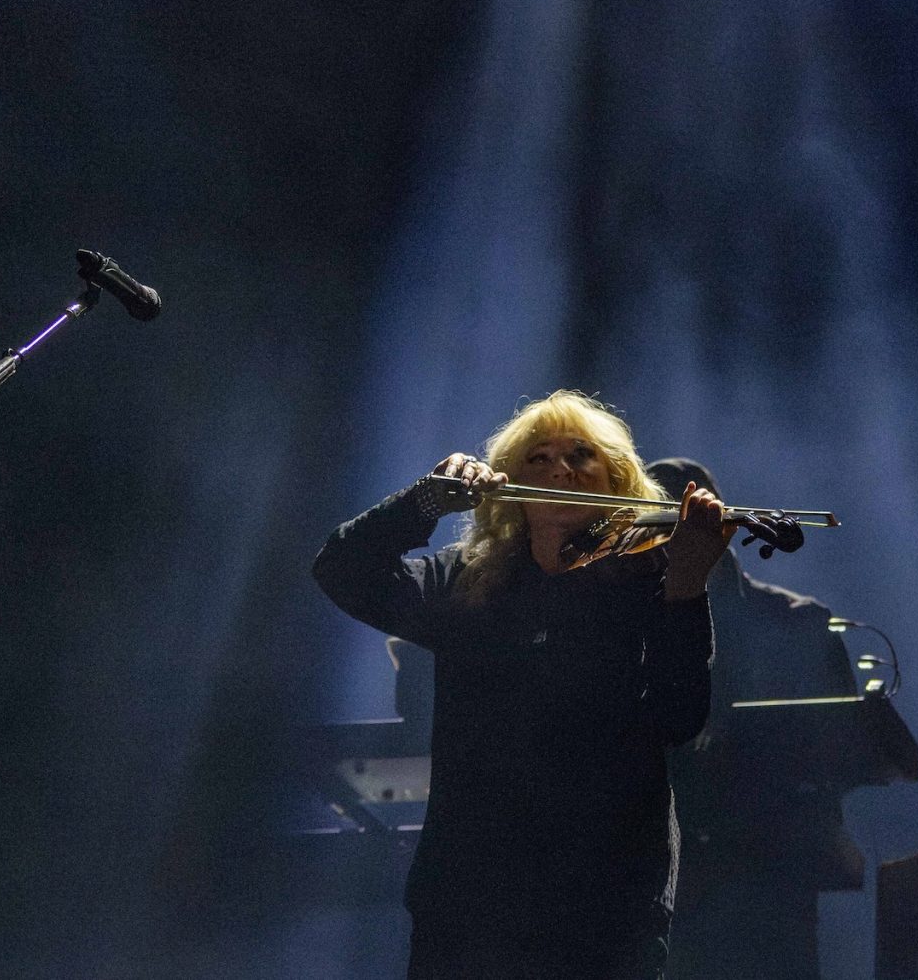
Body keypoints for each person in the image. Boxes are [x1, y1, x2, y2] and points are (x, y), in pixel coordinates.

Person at [313, 391, 730, 980]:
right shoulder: (466, 581)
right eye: (539, 457)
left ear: (616, 480)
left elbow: (677, 718)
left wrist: (686, 587)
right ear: (506, 485)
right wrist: (422, 502)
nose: (560, 469)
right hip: (470, 896)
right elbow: (341, 569)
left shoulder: (654, 580)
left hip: (604, 899)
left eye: (582, 455)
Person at [644, 457, 865, 980]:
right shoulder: (631, 623)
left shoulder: (798, 623)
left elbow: (845, 751)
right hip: (667, 879)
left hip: (770, 880)